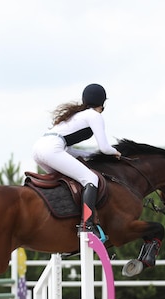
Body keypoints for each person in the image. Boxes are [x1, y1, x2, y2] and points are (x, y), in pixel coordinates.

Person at [32, 83, 121, 234]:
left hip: (39, 149)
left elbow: (70, 150)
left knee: (67, 182)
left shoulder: (77, 115)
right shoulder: (94, 115)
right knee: (91, 179)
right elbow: (105, 148)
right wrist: (115, 152)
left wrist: (91, 155)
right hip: (52, 148)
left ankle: (64, 217)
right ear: (103, 102)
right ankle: (87, 224)